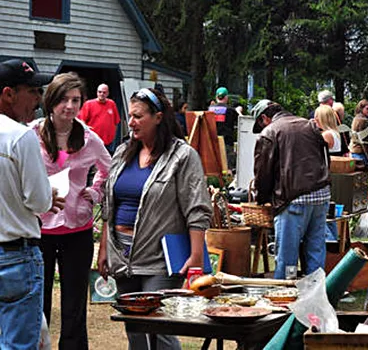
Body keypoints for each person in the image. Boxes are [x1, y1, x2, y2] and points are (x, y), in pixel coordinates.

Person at [97, 88, 212, 350]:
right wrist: (104, 247)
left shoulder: (182, 156)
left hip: (159, 257)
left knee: (160, 330)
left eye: (138, 116)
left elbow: (196, 208)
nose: (131, 122)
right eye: (130, 116)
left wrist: (195, 256)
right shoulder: (123, 152)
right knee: (135, 330)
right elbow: (109, 203)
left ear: (158, 118)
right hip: (122, 256)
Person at [32, 73, 111, 349]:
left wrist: (94, 192)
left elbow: (107, 170)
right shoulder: (32, 134)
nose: (70, 106)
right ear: (51, 101)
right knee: (36, 302)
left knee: (74, 304)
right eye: (64, 99)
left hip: (77, 229)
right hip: (39, 228)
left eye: (76, 100)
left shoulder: (89, 138)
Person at [0, 58, 62, 350]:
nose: (38, 100)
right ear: (8, 94)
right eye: (33, 91)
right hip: (16, 256)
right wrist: (49, 192)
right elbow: (38, 200)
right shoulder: (20, 136)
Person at [251, 99, 331, 279]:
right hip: (321, 196)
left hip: (293, 200)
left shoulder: (270, 132)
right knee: (315, 253)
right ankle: (316, 299)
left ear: (264, 117)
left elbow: (263, 174)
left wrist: (261, 199)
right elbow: (324, 159)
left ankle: (285, 299)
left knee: (287, 258)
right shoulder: (308, 125)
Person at [78, 83, 120, 154]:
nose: (102, 94)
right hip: (94, 141)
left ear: (108, 93)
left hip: (108, 142)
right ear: (97, 92)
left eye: (104, 92)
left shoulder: (112, 104)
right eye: (99, 92)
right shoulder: (89, 104)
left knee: (107, 162)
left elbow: (116, 121)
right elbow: (82, 121)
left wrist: (112, 136)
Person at [208, 87, 238, 172]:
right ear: (226, 97)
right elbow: (241, 120)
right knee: (228, 167)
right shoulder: (230, 110)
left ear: (216, 97)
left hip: (213, 142)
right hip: (227, 142)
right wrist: (238, 111)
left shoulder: (210, 110)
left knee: (214, 167)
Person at [350, 99, 368, 164]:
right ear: (361, 108)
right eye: (367, 109)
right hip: (361, 153)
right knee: (363, 173)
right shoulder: (363, 120)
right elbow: (365, 141)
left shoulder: (356, 118)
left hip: (354, 152)